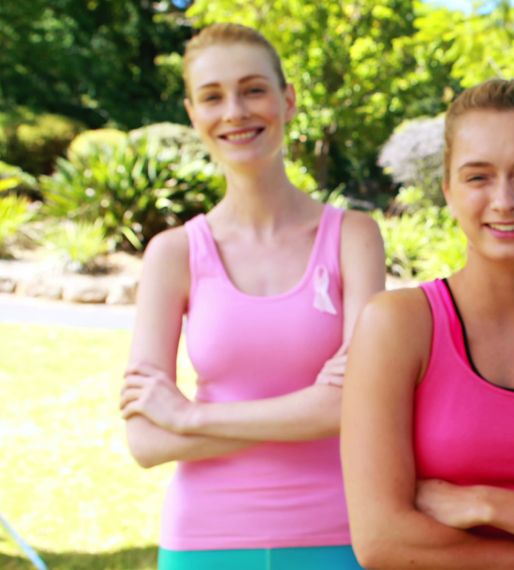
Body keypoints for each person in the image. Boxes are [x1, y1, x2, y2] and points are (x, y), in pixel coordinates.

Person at [119, 23, 385, 569]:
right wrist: (306, 412)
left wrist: (191, 418)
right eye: (213, 96)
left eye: (253, 89)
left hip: (337, 534)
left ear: (286, 100)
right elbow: (146, 438)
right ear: (194, 114)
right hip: (203, 542)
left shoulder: (353, 238)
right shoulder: (173, 255)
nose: (236, 111)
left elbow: (354, 406)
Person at [340, 78, 514, 569]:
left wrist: (484, 503)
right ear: (448, 191)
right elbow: (382, 541)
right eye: (478, 177)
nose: (504, 199)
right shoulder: (399, 327)